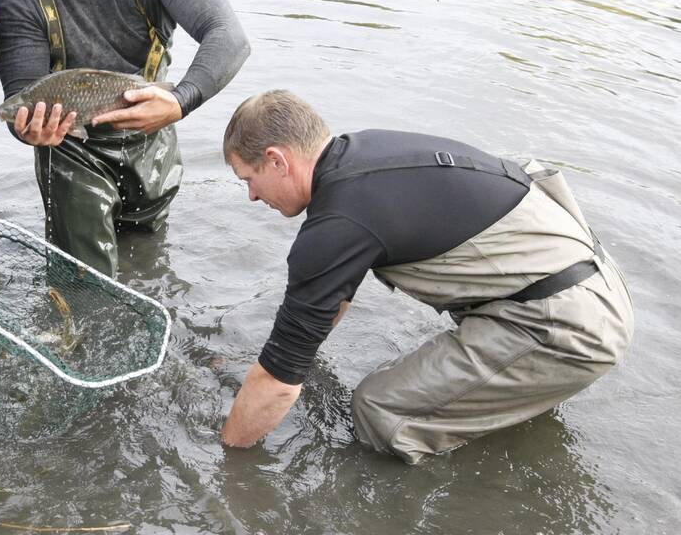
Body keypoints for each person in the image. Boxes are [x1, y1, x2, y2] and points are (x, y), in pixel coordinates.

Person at [219, 90, 634, 464]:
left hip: (570, 323)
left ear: (276, 159)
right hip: (587, 276)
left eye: (249, 180)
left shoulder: (337, 225)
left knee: (378, 409)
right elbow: (322, 311)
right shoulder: (363, 158)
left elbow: (278, 382)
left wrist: (229, 458)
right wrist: (290, 357)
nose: (253, 196)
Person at [0, 0, 250, 278]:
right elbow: (22, 99)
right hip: (71, 153)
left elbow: (229, 37)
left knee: (148, 268)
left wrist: (179, 103)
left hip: (153, 137)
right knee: (84, 283)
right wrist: (27, 131)